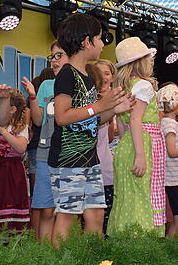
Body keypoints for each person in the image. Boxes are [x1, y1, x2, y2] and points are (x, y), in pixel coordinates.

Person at [48, 13, 127, 246]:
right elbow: (62, 116)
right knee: (68, 215)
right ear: (86, 42)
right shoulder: (66, 74)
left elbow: (93, 118)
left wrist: (113, 109)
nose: (103, 44)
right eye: (100, 38)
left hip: (90, 158)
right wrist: (100, 105)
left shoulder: (88, 78)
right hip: (68, 159)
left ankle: (91, 256)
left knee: (96, 214)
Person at [108, 37, 165, 236]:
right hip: (144, 144)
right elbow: (135, 120)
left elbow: (123, 124)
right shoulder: (143, 86)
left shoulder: (123, 88)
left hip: (128, 144)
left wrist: (128, 148)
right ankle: (143, 237)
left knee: (129, 194)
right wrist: (140, 155)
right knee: (144, 192)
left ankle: (126, 237)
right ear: (141, 62)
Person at [23, 42, 66, 242]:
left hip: (70, 156)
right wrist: (33, 95)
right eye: (53, 57)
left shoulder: (80, 86)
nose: (55, 60)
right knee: (47, 211)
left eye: (60, 55)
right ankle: (44, 254)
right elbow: (39, 120)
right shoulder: (46, 86)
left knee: (66, 213)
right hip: (45, 155)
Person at [0, 90, 30, 233]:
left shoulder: (20, 128)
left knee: (13, 205)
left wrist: (4, 131)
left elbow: (21, 148)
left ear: (12, 109)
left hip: (13, 174)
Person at [157, 84, 178, 236]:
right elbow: (171, 151)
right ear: (174, 103)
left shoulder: (169, 122)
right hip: (174, 179)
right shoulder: (169, 123)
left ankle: (171, 245)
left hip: (175, 178)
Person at [94, 59, 117, 233]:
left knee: (108, 217)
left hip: (110, 166)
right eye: (99, 73)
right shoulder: (90, 101)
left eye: (107, 73)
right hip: (91, 166)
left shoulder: (120, 99)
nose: (103, 77)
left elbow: (110, 137)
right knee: (92, 218)